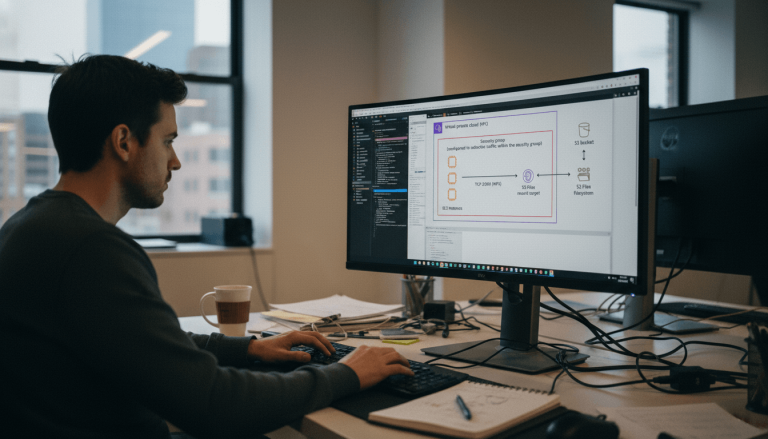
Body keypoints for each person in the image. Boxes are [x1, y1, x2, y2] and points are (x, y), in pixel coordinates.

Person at [0, 55, 412, 438]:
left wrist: (249, 348)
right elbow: (214, 403)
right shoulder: (92, 249)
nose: (175, 161)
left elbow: (140, 344)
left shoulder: (31, 226)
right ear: (123, 142)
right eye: (167, 141)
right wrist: (347, 373)